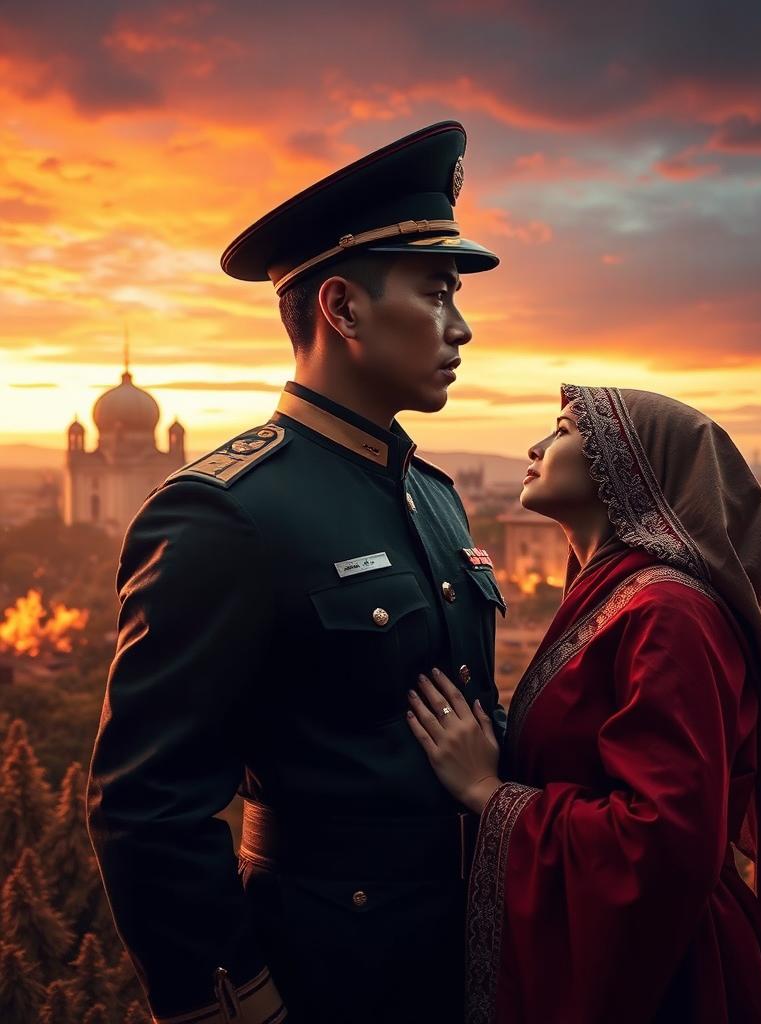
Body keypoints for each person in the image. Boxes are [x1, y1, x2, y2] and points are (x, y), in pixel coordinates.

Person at [86, 121, 508, 1023]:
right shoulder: (226, 510)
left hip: (459, 963)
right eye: (436, 293)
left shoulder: (434, 494)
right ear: (344, 310)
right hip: (323, 978)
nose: (462, 325)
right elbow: (146, 808)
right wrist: (239, 1006)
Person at [407, 384, 761, 1024]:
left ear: (624, 469)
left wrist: (487, 792)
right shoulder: (622, 596)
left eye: (563, 431)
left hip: (673, 980)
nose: (536, 446)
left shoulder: (668, 612)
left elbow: (660, 842)